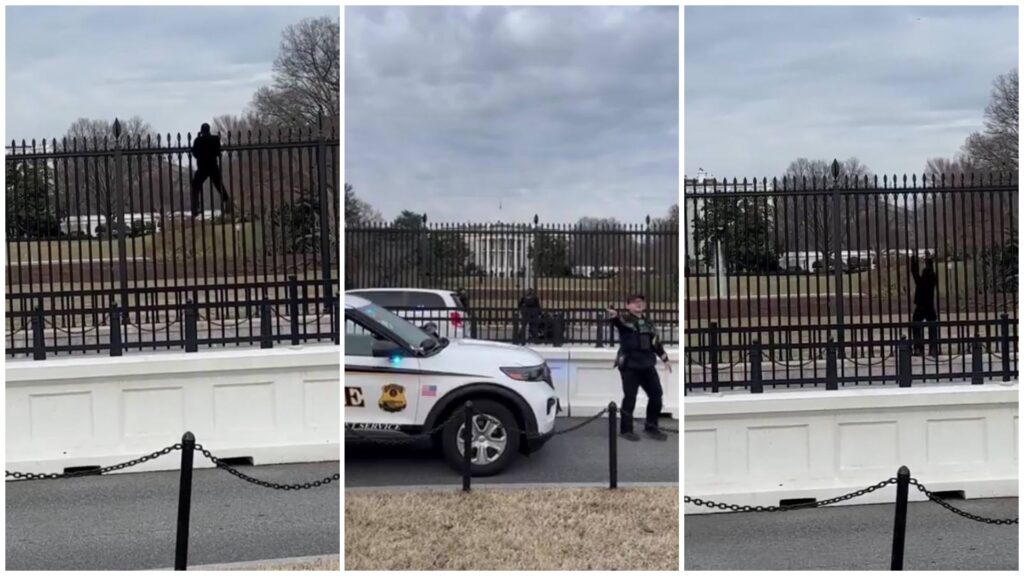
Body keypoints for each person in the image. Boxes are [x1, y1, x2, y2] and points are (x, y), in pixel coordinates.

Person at [606, 294, 671, 441]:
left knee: (656, 395)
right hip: (630, 365)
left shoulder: (648, 323)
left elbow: (655, 343)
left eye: (641, 301)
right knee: (630, 397)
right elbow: (617, 322)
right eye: (635, 302)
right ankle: (626, 429)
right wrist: (614, 316)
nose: (639, 304)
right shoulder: (624, 320)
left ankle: (651, 427)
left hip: (647, 364)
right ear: (628, 306)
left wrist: (665, 358)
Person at [190, 123, 234, 219]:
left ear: (202, 131)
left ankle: (195, 207)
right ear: (209, 130)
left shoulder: (198, 140)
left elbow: (195, 153)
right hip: (213, 166)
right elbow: (218, 152)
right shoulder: (215, 139)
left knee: (195, 186)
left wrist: (198, 139)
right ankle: (227, 201)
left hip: (202, 167)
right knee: (219, 185)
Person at [910, 253, 939, 356]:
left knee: (916, 325)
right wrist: (929, 261)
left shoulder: (921, 281)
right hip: (930, 306)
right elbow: (931, 271)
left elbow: (914, 271)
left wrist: (914, 259)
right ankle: (933, 348)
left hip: (921, 306)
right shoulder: (933, 278)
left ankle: (918, 348)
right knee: (933, 327)